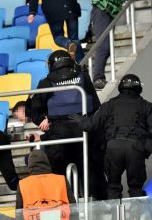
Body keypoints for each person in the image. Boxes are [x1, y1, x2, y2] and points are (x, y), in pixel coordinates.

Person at [75, 74, 152, 199]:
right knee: (135, 188)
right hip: (136, 148)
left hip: (113, 148)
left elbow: (91, 126)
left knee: (113, 186)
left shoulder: (109, 105)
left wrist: (80, 120)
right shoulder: (147, 106)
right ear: (138, 88)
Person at [26, 50, 107, 200]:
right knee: (94, 171)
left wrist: (40, 120)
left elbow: (30, 107)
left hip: (59, 135)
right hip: (84, 130)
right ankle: (101, 206)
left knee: (58, 175)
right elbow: (96, 105)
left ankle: (63, 204)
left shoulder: (46, 82)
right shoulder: (84, 77)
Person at [90, 0, 141, 89]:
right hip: (102, 9)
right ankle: (97, 77)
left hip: (112, 12)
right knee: (103, 45)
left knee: (107, 46)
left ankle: (99, 76)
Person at [16, 150, 76, 220]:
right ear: (46, 162)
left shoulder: (23, 184)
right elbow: (73, 207)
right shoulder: (61, 179)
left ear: (29, 164)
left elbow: (18, 213)